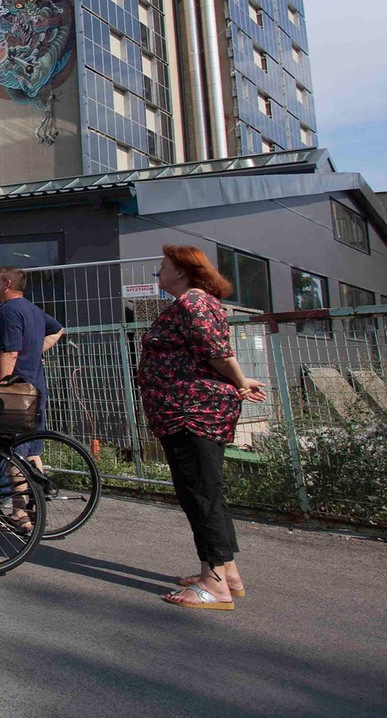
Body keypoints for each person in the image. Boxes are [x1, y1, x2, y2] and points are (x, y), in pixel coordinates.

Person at [141, 246, 268, 611]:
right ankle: (228, 573)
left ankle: (214, 583)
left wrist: (241, 380)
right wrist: (240, 381)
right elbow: (212, 352)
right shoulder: (198, 303)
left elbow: (217, 352)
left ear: (182, 271)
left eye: (163, 266)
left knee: (199, 494)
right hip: (190, 410)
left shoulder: (192, 303)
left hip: (190, 412)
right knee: (207, 492)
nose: (158, 273)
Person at [0, 267, 65, 473]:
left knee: (13, 455)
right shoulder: (32, 309)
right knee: (31, 452)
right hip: (35, 389)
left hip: (17, 394)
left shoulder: (9, 311)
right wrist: (33, 350)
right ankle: (38, 490)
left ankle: (20, 496)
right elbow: (58, 329)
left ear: (7, 284)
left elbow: (10, 353)